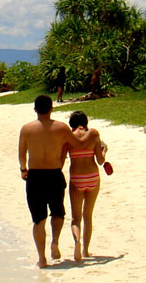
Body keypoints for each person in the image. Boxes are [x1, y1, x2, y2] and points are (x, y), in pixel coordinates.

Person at [18, 95, 98, 268]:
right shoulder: (61, 128)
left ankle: (42, 258)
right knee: (58, 212)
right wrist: (92, 134)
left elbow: (22, 154)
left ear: (35, 109)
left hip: (35, 176)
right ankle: (55, 242)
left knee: (38, 218)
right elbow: (79, 144)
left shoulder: (26, 129)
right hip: (54, 174)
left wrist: (23, 170)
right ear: (51, 108)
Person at [65, 111, 107, 262]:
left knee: (76, 218)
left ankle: (77, 242)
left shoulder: (68, 136)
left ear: (71, 123)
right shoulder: (94, 134)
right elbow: (101, 161)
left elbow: (62, 157)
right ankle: (86, 251)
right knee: (87, 215)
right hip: (93, 176)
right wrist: (104, 150)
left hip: (77, 177)